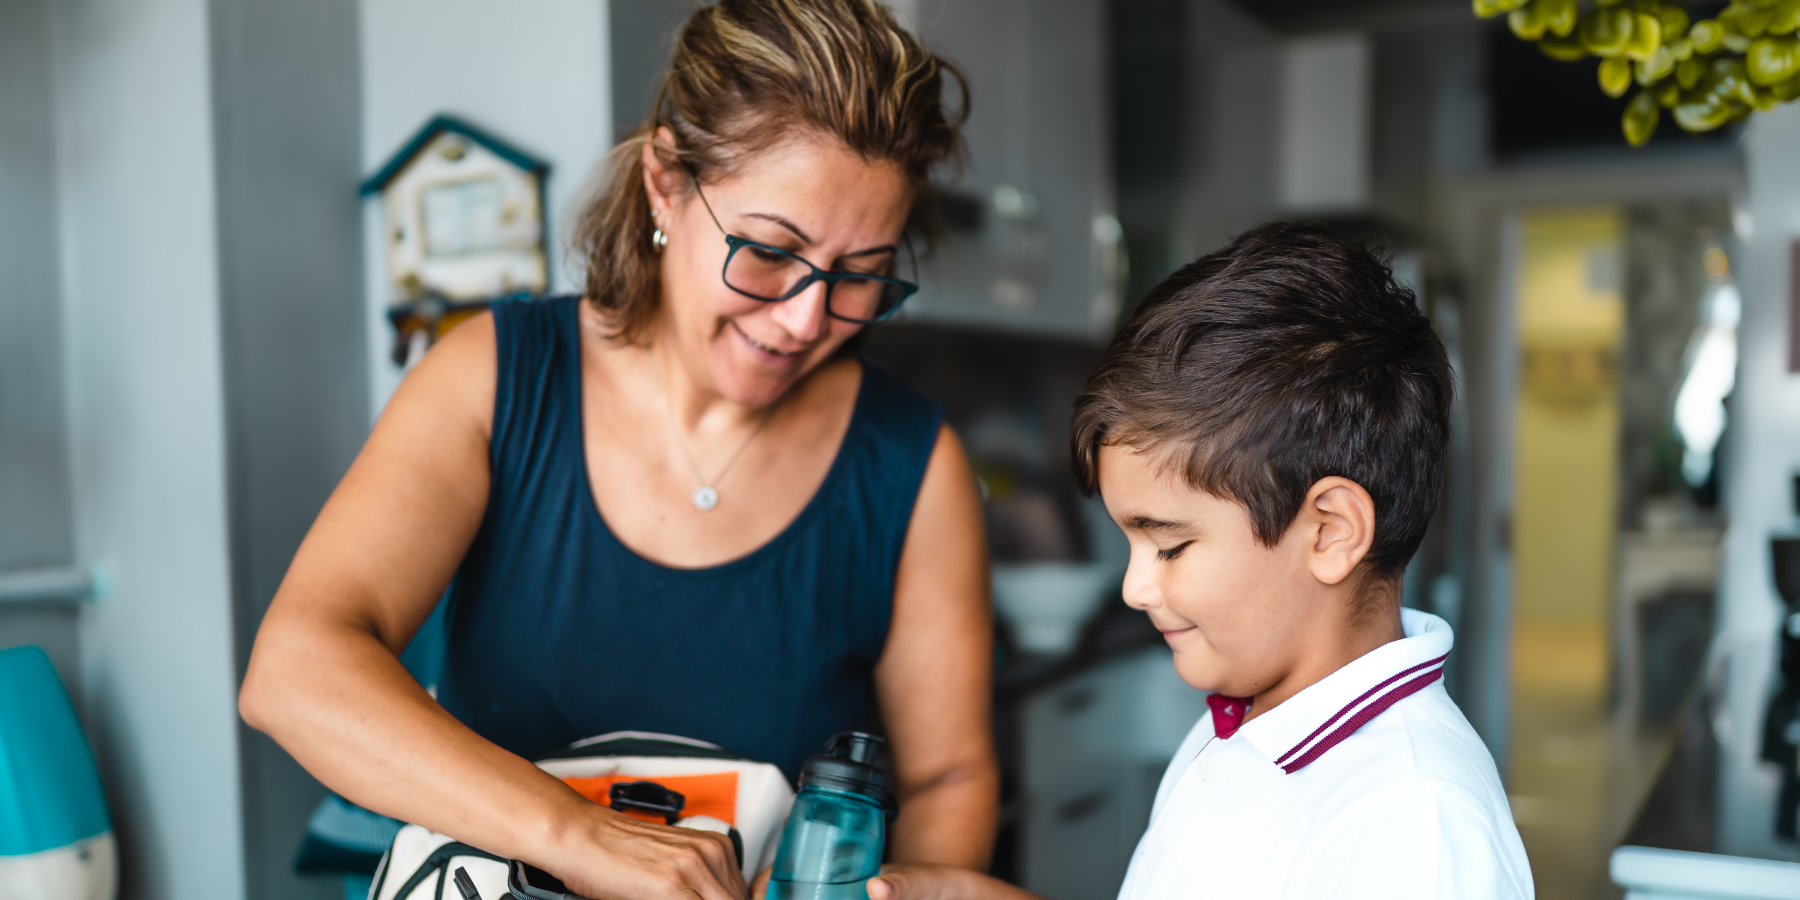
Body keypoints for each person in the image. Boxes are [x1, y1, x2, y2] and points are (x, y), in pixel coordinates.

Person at [238, 2, 998, 898]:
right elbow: (293, 674)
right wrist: (581, 837)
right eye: (766, 252)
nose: (804, 319)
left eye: (860, 275)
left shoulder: (912, 463)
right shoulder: (491, 377)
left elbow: (948, 778)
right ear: (666, 182)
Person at [869, 222, 1533, 900]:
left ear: (1331, 532)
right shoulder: (1247, 719)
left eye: (1171, 545)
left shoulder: (1413, 828)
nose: (1134, 588)